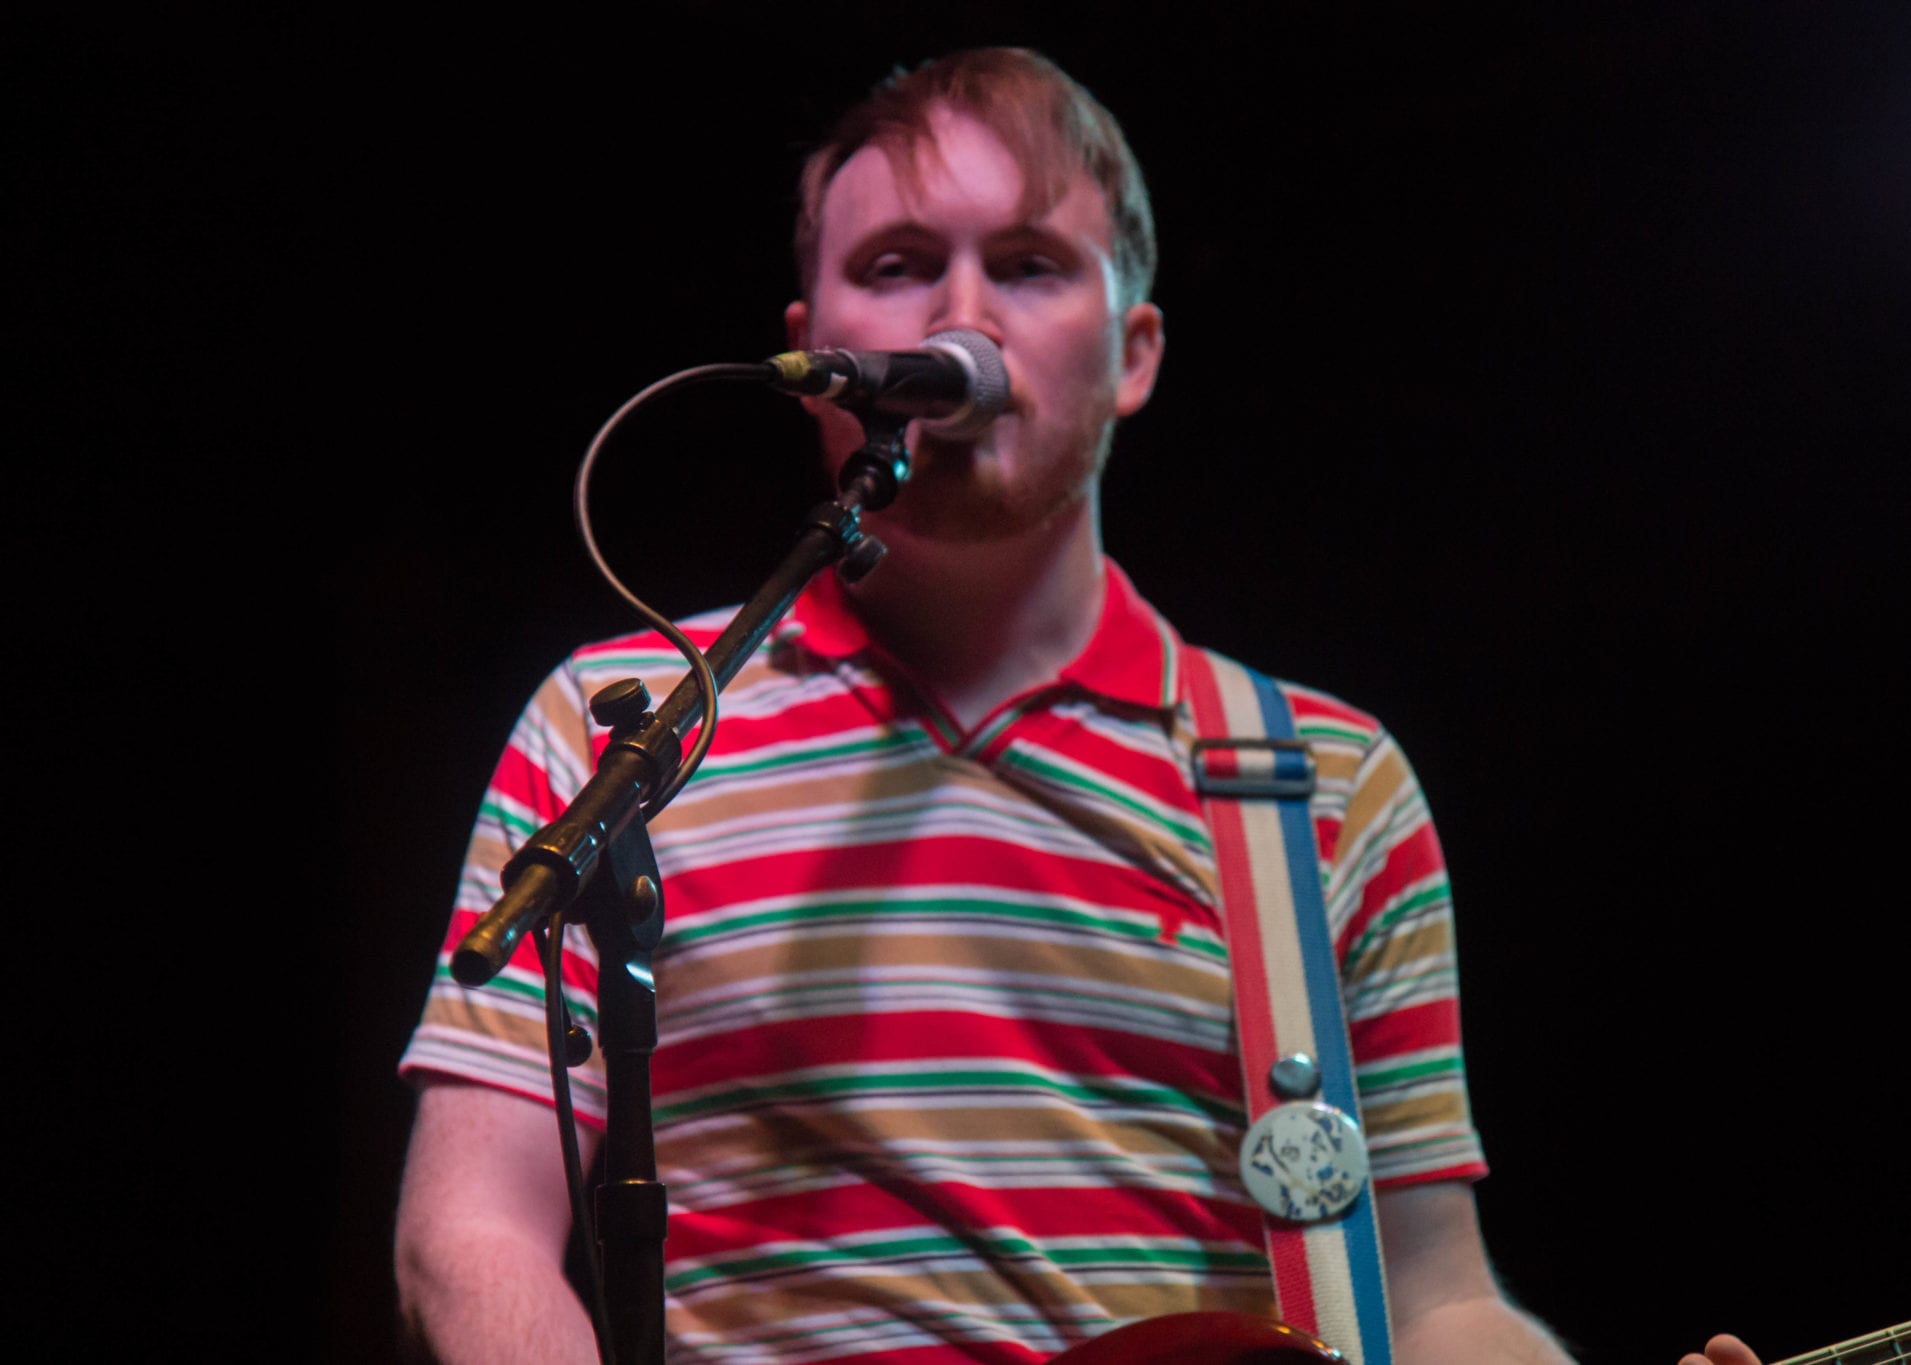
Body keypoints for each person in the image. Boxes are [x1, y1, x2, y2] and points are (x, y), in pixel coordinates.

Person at [394, 47, 1757, 1365]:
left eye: (1030, 265)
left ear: (1135, 351)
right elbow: (473, 1232)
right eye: (897, 266)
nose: (960, 318)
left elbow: (1433, 1290)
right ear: (810, 352)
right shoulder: (620, 727)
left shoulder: (1321, 783)